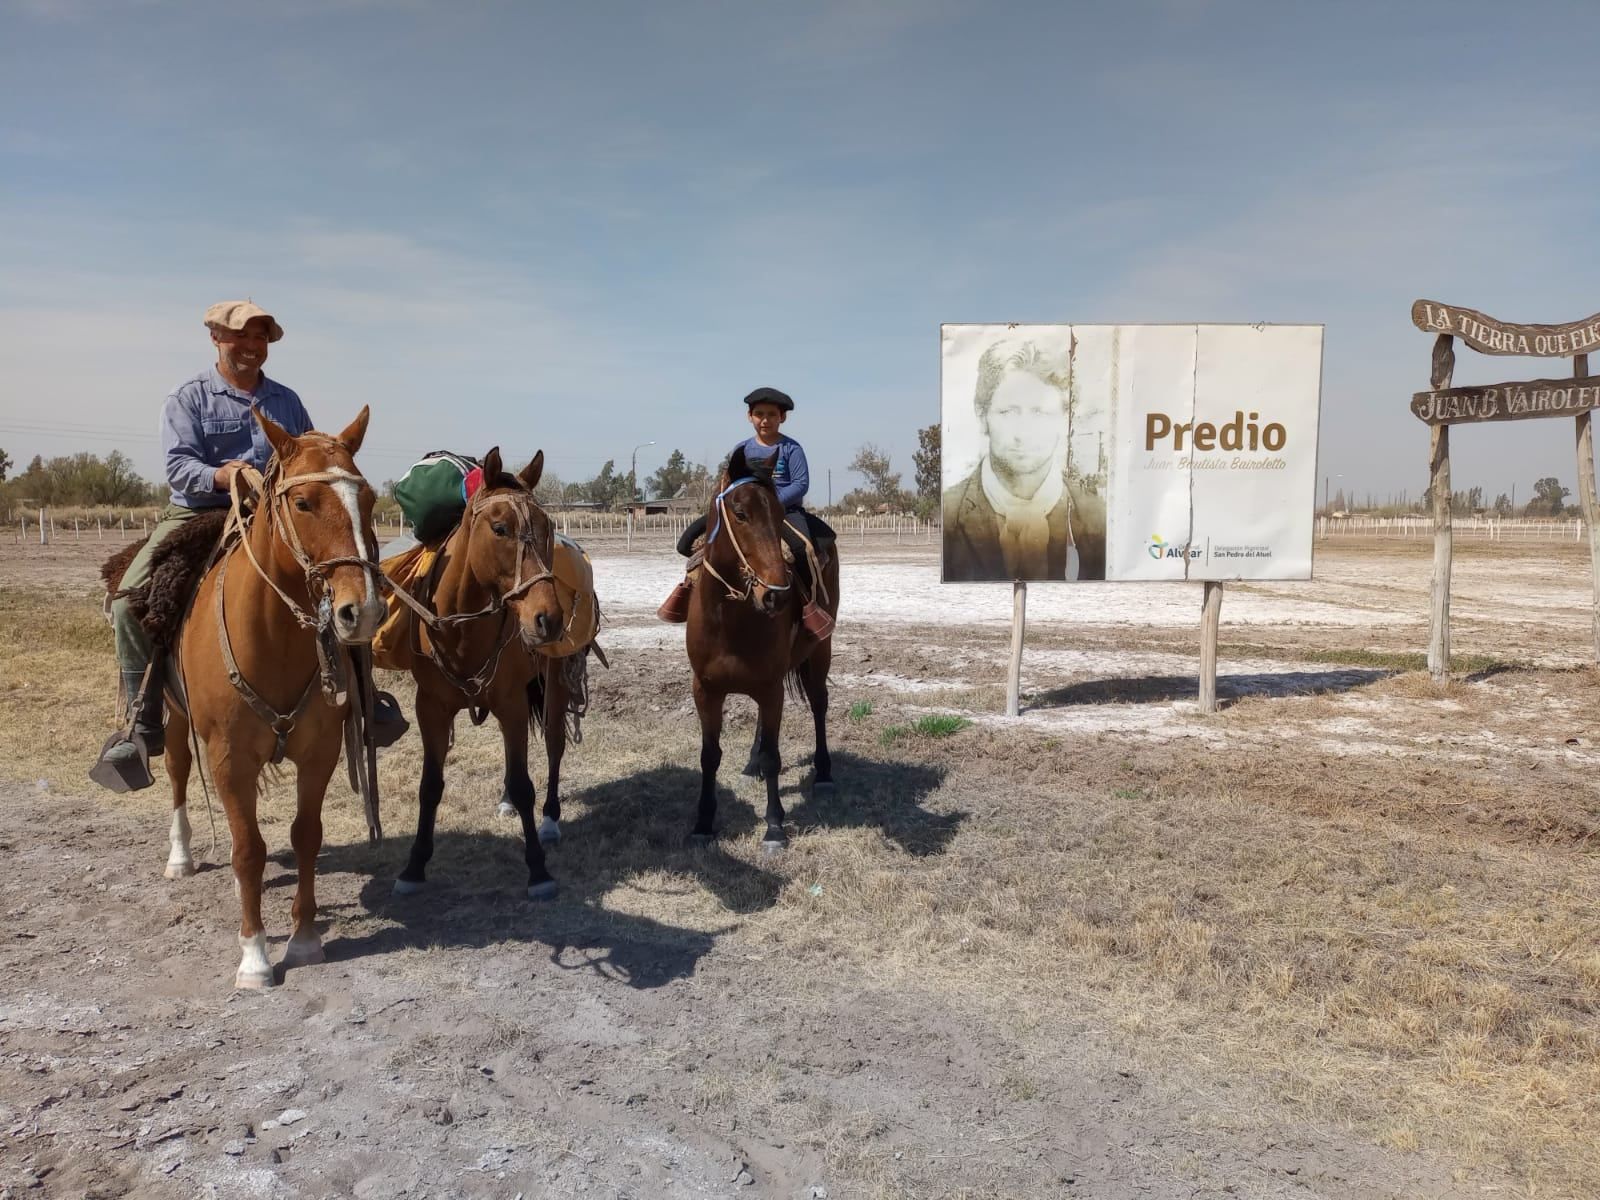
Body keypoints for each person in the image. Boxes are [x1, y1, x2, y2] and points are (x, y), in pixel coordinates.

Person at [92, 300, 313, 792]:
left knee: (340, 581)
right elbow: (178, 468)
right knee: (130, 602)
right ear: (216, 338)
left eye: (261, 338)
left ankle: (363, 698)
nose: (252, 347)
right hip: (199, 513)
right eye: (241, 337)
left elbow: (306, 456)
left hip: (269, 518)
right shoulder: (189, 398)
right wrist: (224, 473)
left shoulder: (288, 402)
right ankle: (141, 720)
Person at [657, 387, 834, 637]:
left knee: (803, 550)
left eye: (771, 414)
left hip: (784, 512)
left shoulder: (791, 449)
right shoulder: (742, 449)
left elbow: (800, 484)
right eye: (759, 414)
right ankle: (690, 592)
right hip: (745, 512)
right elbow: (729, 481)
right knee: (691, 542)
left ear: (782, 418)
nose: (765, 420)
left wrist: (770, 505)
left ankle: (808, 604)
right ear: (749, 416)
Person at [942, 336, 1105, 582]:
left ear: (1064, 419)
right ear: (982, 415)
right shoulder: (949, 514)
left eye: (1039, 412)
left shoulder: (1098, 519)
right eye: (1008, 412)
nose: (1023, 433)